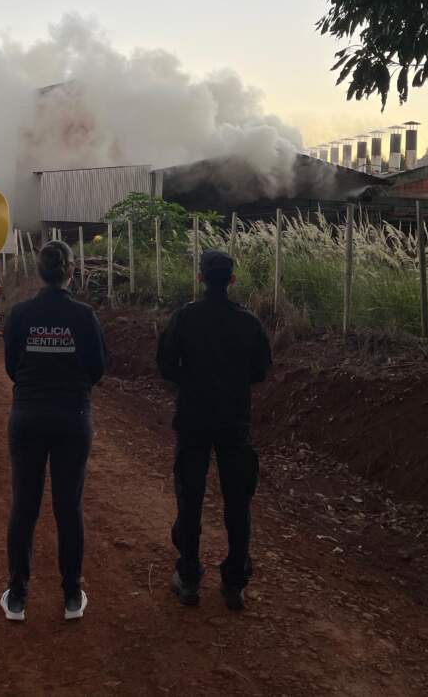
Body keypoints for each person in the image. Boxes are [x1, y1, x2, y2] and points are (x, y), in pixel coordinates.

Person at [157, 248, 271, 612]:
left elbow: (165, 364)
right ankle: (234, 583)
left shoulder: (184, 317)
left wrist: (189, 382)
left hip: (193, 420)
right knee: (238, 503)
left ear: (201, 278)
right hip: (234, 422)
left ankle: (189, 577)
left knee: (189, 498)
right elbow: (260, 372)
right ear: (232, 280)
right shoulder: (249, 322)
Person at [1, 239, 106, 623]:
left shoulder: (20, 314)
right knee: (68, 508)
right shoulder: (84, 315)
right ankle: (71, 596)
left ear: (40, 272)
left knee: (24, 506)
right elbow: (97, 368)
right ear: (71, 272)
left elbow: (12, 365)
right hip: (72, 417)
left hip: (27, 415)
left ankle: (17, 597)